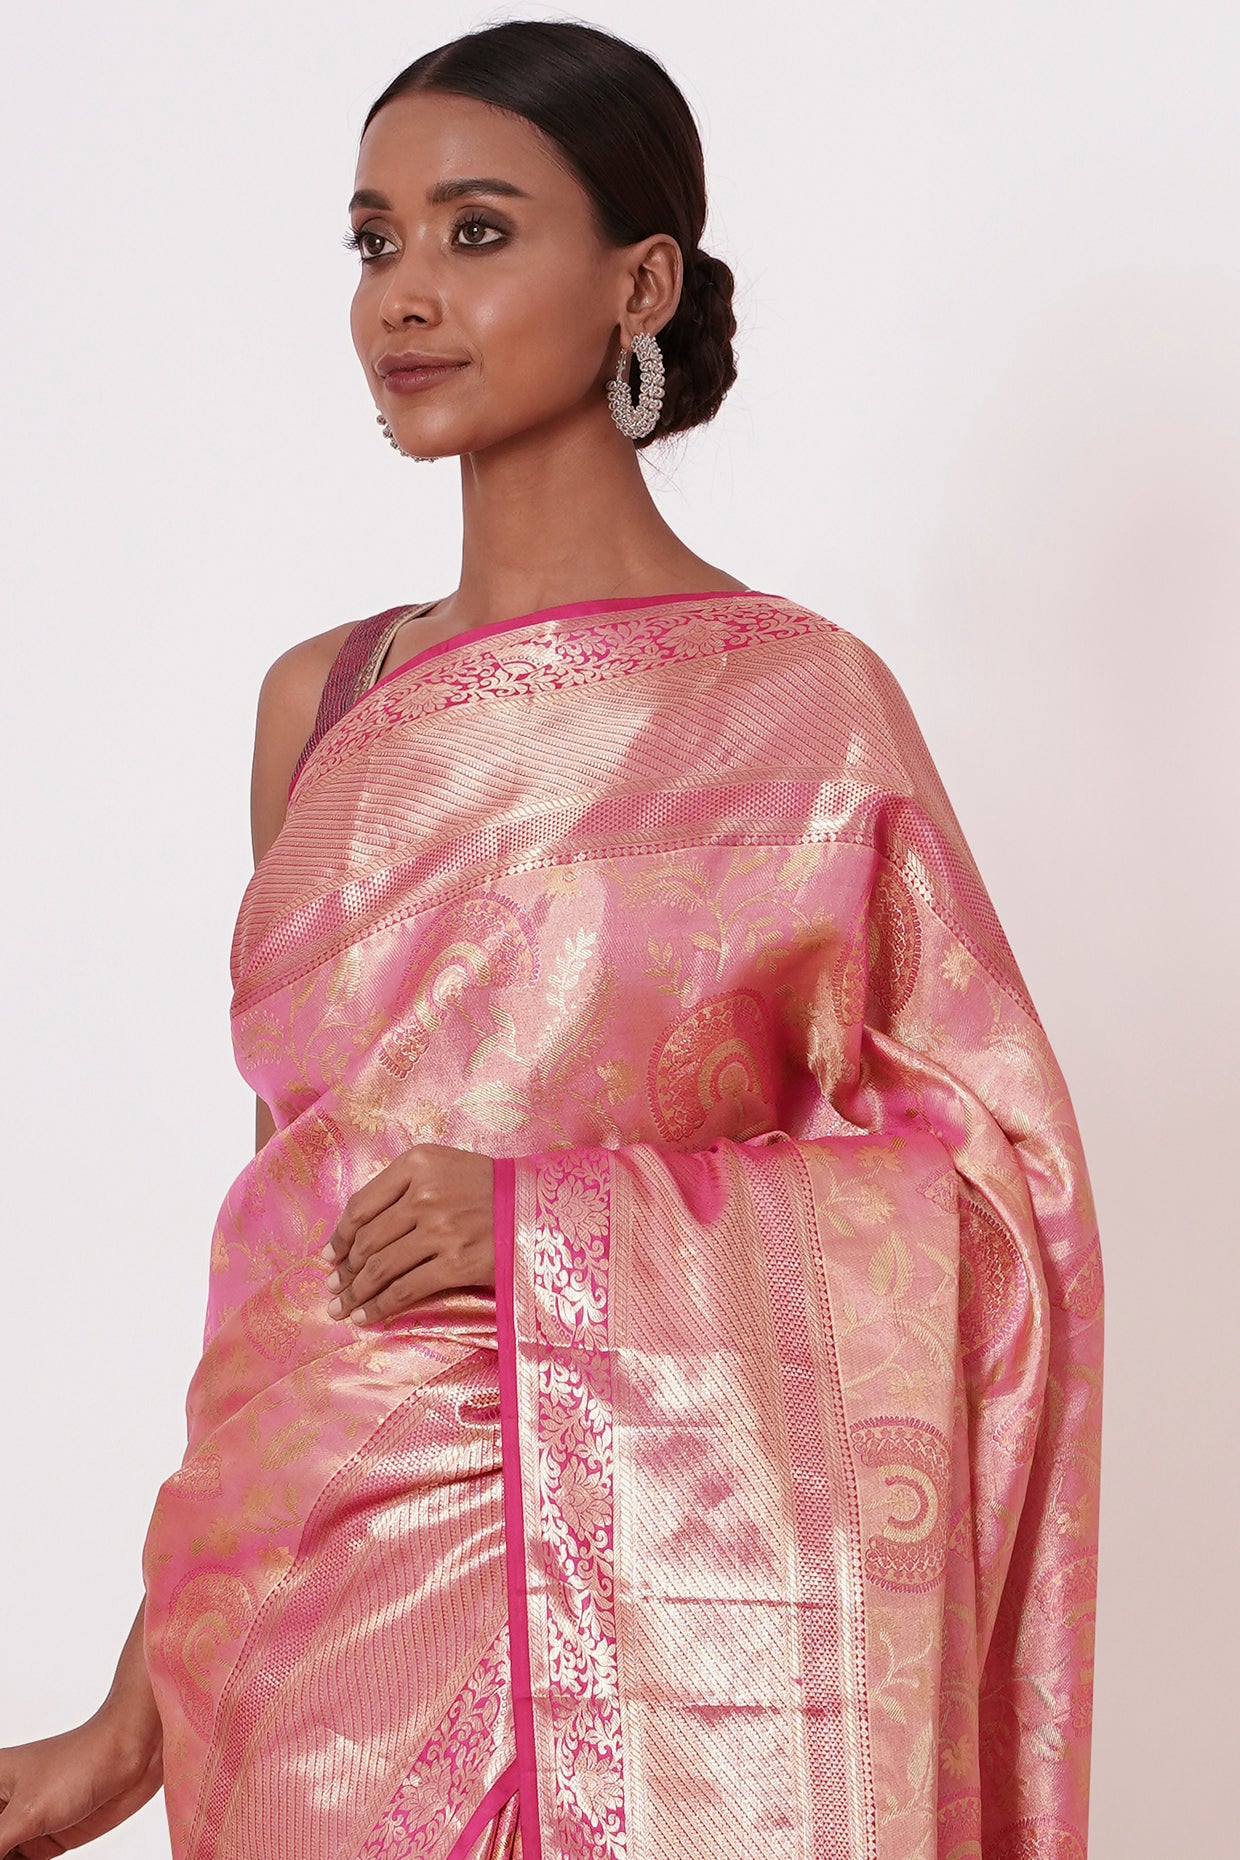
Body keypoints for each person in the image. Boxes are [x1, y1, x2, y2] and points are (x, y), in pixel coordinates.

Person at [0, 20, 1103, 1860]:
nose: (405, 295)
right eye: (375, 240)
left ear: (640, 284)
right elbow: (290, 1262)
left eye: (479, 231)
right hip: (303, 1636)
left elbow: (991, 1200)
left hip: (670, 1633)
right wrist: (125, 1729)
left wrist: (552, 1229)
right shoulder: (321, 705)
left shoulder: (801, 711)